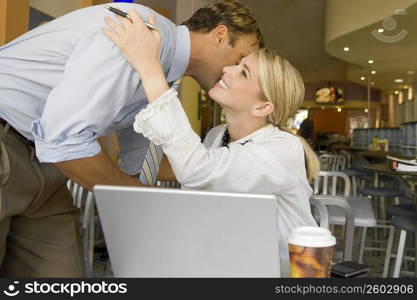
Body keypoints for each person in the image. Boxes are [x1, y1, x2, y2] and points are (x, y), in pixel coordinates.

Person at [0, 1, 262, 277]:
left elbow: (141, 163)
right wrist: (147, 200)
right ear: (220, 36)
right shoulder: (136, 32)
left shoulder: (159, 65)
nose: (233, 72)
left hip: (44, 163)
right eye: (240, 60)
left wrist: (235, 170)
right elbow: (64, 141)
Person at [102, 10, 320, 265]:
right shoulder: (218, 136)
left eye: (244, 72)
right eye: (237, 64)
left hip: (281, 269)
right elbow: (199, 185)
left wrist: (149, 66)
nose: (227, 69)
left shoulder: (284, 148)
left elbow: (196, 170)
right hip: (229, 258)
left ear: (262, 107)